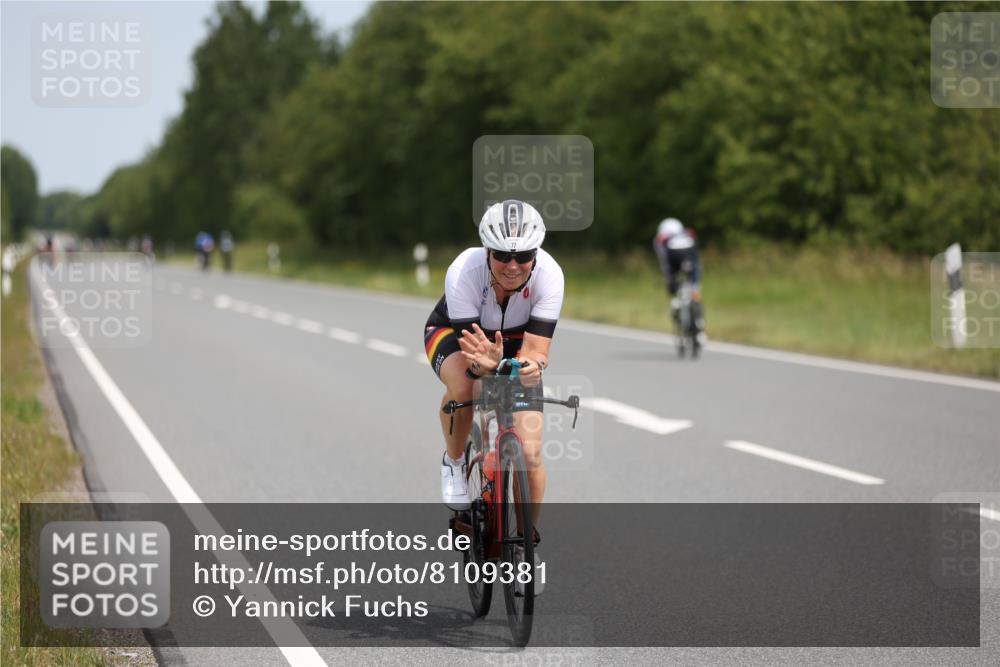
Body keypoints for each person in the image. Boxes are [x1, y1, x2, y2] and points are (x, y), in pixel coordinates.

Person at [424, 200, 563, 579]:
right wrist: (484, 365)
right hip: (455, 335)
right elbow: (475, 359)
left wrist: (530, 369)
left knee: (530, 452)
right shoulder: (463, 272)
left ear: (536, 253)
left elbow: (536, 350)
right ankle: (455, 462)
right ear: (487, 250)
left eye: (524, 256)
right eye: (502, 255)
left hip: (517, 343)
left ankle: (527, 545)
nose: (512, 265)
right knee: (467, 386)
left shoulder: (550, 275)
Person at [653, 217, 704, 338]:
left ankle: (676, 305)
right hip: (691, 258)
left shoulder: (661, 238)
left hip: (673, 259)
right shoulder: (688, 233)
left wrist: (669, 279)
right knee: (694, 289)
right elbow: (696, 256)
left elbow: (664, 259)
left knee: (673, 286)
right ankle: (700, 322)